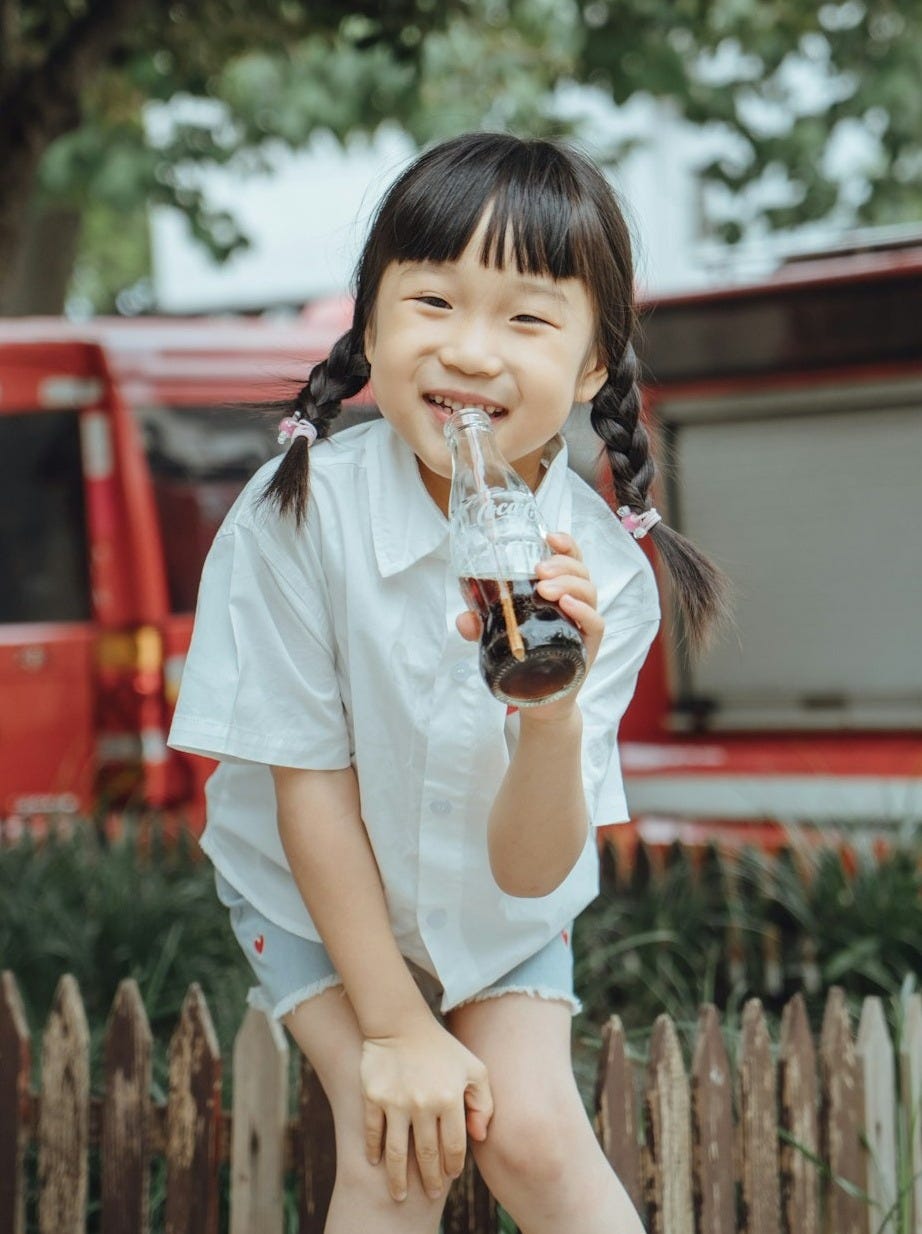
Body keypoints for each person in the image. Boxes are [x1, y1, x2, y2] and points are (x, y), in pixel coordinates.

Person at [168, 131, 729, 1234]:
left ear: (589, 366)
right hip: (308, 894)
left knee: (528, 1134)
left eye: (524, 318)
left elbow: (529, 875)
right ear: (369, 325)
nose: (469, 353)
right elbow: (308, 788)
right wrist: (391, 1028)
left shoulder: (604, 576)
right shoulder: (299, 516)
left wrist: (551, 715)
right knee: (399, 1155)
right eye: (430, 302)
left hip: (499, 910)